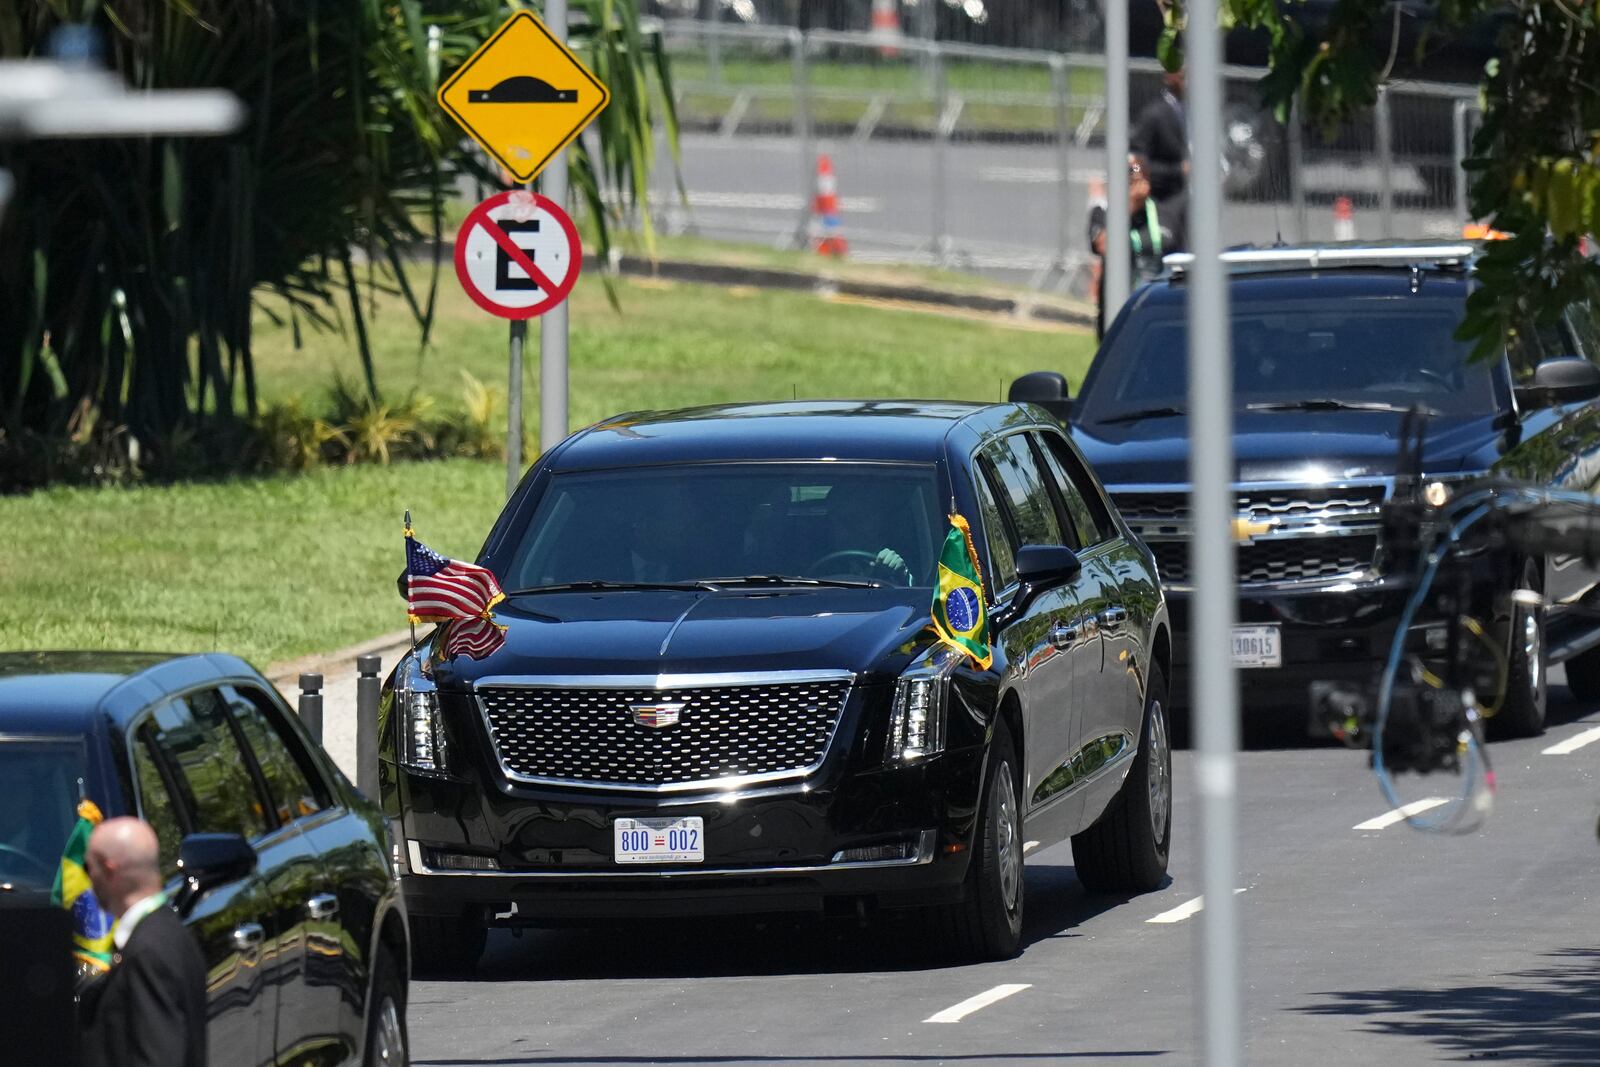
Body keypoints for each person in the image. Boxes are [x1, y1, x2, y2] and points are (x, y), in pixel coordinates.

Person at [79, 817, 207, 1067]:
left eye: (87, 867)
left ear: (109, 869)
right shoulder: (171, 934)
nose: (88, 879)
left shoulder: (147, 953)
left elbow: (157, 1057)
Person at [1088, 154, 1188, 338]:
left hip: (1159, 307)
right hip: (1119, 311)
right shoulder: (1103, 214)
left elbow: (1180, 256)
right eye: (1130, 179)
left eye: (1139, 178)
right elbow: (1104, 245)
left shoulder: (1164, 215)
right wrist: (1129, 207)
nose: (1136, 184)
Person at [1132, 67, 1190, 207]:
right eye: (1183, 76)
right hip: (1161, 199)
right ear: (1169, 78)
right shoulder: (1154, 115)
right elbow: (1135, 159)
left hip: (1187, 197)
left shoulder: (1193, 113)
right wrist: (1137, 179)